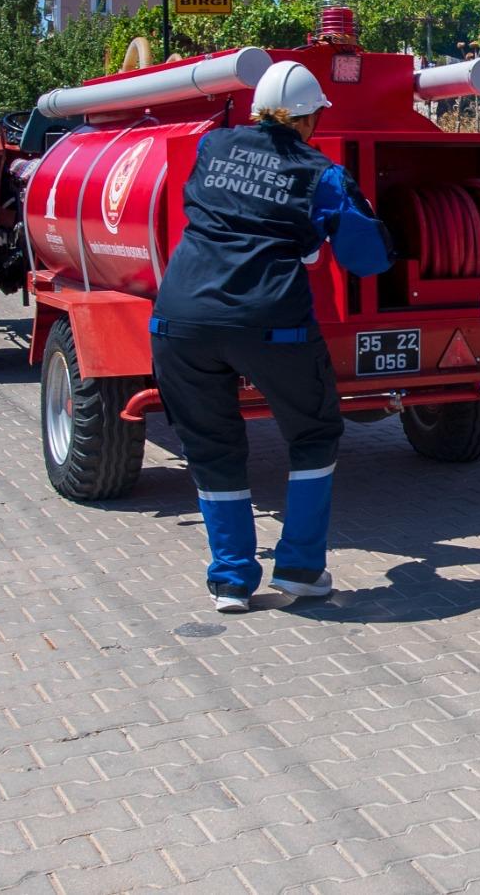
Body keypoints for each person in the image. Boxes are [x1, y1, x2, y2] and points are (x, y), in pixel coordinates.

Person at [150, 62, 395, 613]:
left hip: (180, 319)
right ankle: (301, 569)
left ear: (257, 109)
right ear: (309, 120)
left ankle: (232, 580)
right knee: (312, 433)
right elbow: (367, 259)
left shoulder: (211, 147)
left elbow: (218, 208)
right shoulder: (321, 171)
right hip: (270, 321)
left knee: (211, 447)